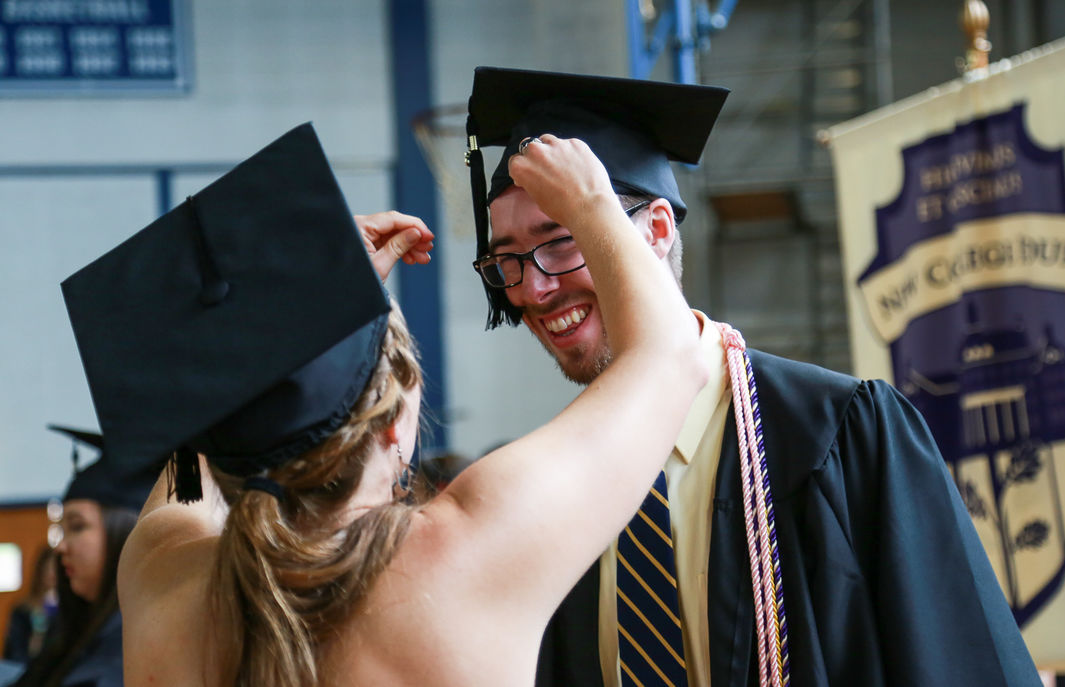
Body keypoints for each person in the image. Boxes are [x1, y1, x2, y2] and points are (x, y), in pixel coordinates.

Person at [61, 122, 705, 686]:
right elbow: (667, 352)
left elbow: (205, 429)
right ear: (397, 424)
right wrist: (592, 203)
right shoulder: (466, 553)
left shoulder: (160, 576)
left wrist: (299, 316)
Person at [464, 66, 1043, 686]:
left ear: (656, 231)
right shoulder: (552, 488)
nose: (536, 288)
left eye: (562, 239)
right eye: (507, 262)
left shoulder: (840, 434)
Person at [11, 428, 152, 687]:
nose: (60, 547)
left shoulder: (137, 648)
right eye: (61, 530)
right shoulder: (74, 629)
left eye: (77, 527)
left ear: (126, 534)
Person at [3, 545, 57, 664]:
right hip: (25, 666)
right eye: (48, 568)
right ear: (40, 571)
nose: (52, 574)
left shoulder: (69, 609)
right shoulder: (23, 608)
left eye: (57, 569)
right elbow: (14, 649)